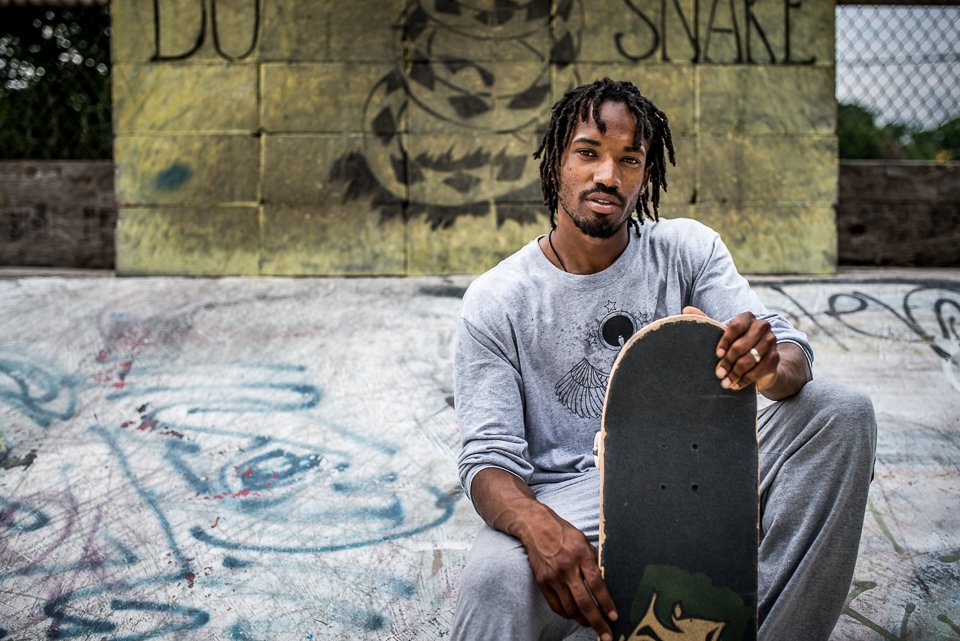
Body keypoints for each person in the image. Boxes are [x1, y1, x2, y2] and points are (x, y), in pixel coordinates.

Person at [450, 78, 877, 641]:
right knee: (492, 579)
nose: (608, 175)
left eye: (629, 159)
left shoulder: (687, 249)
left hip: (690, 465)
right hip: (571, 501)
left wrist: (769, 364)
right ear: (556, 162)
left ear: (646, 174)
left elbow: (787, 349)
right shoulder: (497, 300)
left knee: (840, 412)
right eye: (588, 153)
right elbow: (487, 461)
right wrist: (537, 526)